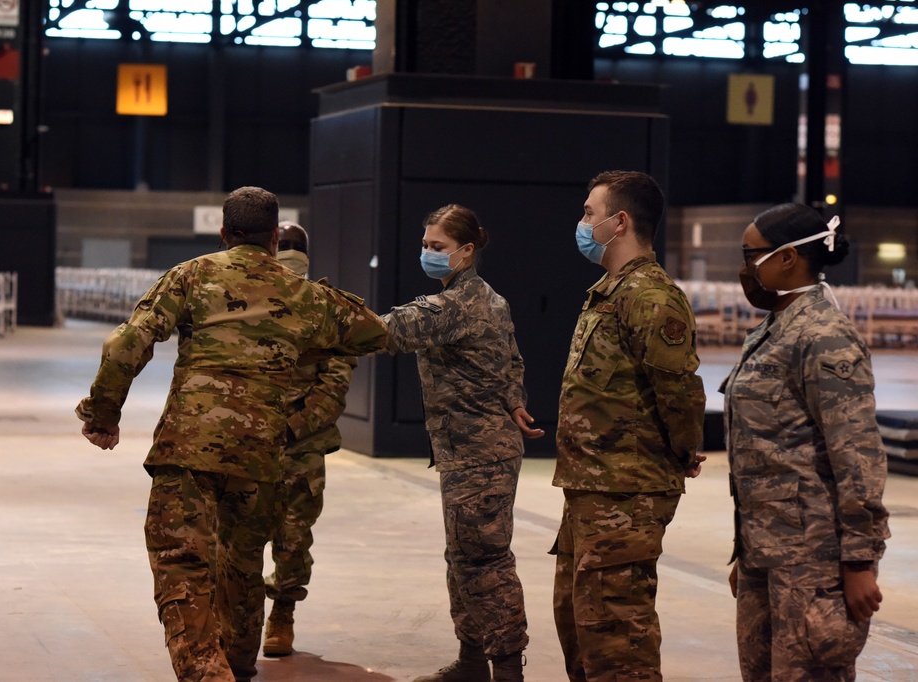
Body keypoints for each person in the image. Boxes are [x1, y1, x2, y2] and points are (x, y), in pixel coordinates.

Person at [75, 186, 388, 682]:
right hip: (260, 459)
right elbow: (377, 332)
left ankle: (206, 672)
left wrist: (103, 414)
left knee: (182, 564)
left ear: (223, 233)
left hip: (188, 450)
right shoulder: (306, 295)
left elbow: (124, 344)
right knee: (241, 566)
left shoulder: (192, 275)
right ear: (271, 239)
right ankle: (239, 662)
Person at [725, 202, 890, 681]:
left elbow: (856, 453)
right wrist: (748, 549)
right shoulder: (776, 329)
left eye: (750, 253)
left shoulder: (825, 336)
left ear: (787, 258)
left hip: (813, 565)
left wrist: (860, 561)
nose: (745, 267)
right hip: (767, 555)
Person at [552, 170, 706, 682]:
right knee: (579, 625)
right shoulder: (608, 291)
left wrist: (685, 450)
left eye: (588, 213)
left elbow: (679, 392)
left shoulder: (651, 297)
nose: (581, 222)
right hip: (590, 487)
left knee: (617, 636)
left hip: (627, 492)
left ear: (619, 222)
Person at [381, 204, 544, 682]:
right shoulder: (488, 299)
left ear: (467, 251)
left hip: (480, 456)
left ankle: (508, 669)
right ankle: (472, 661)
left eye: (439, 247)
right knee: (463, 559)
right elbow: (512, 359)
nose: (428, 254)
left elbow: (390, 329)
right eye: (425, 245)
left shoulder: (457, 304)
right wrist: (514, 399)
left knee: (486, 564)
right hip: (468, 451)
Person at [261, 221, 357, 657]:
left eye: (297, 246)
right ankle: (240, 617)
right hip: (248, 442)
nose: (291, 253)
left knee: (293, 539)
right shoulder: (251, 301)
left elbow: (334, 388)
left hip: (301, 444)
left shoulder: (327, 309)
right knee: (237, 537)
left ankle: (283, 611)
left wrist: (292, 428)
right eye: (285, 245)